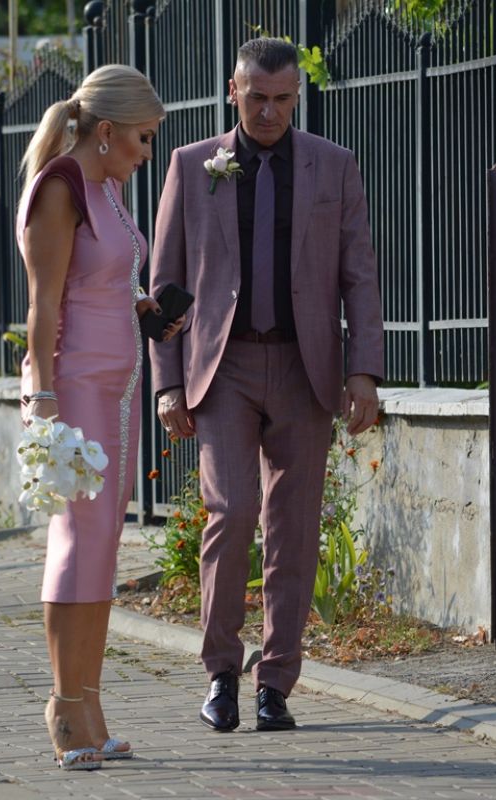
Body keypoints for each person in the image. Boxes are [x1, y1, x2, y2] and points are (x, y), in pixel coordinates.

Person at [149, 38, 384, 732]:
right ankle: (221, 673)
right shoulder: (192, 164)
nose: (270, 112)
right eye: (258, 98)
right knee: (231, 512)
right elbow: (165, 286)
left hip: (306, 367)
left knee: (294, 527)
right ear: (234, 91)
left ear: (296, 97)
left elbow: (359, 276)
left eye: (283, 99)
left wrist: (363, 370)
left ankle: (275, 683)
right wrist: (167, 385)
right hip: (223, 369)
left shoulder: (334, 165)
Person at [16, 64, 177, 769]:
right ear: (106, 131)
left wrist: (143, 308)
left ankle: (91, 703)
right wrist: (43, 397)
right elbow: (45, 302)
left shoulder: (108, 187)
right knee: (78, 542)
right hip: (75, 385)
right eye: (143, 138)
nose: (147, 152)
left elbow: (104, 277)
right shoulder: (59, 187)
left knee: (106, 544)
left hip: (120, 383)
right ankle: (62, 705)